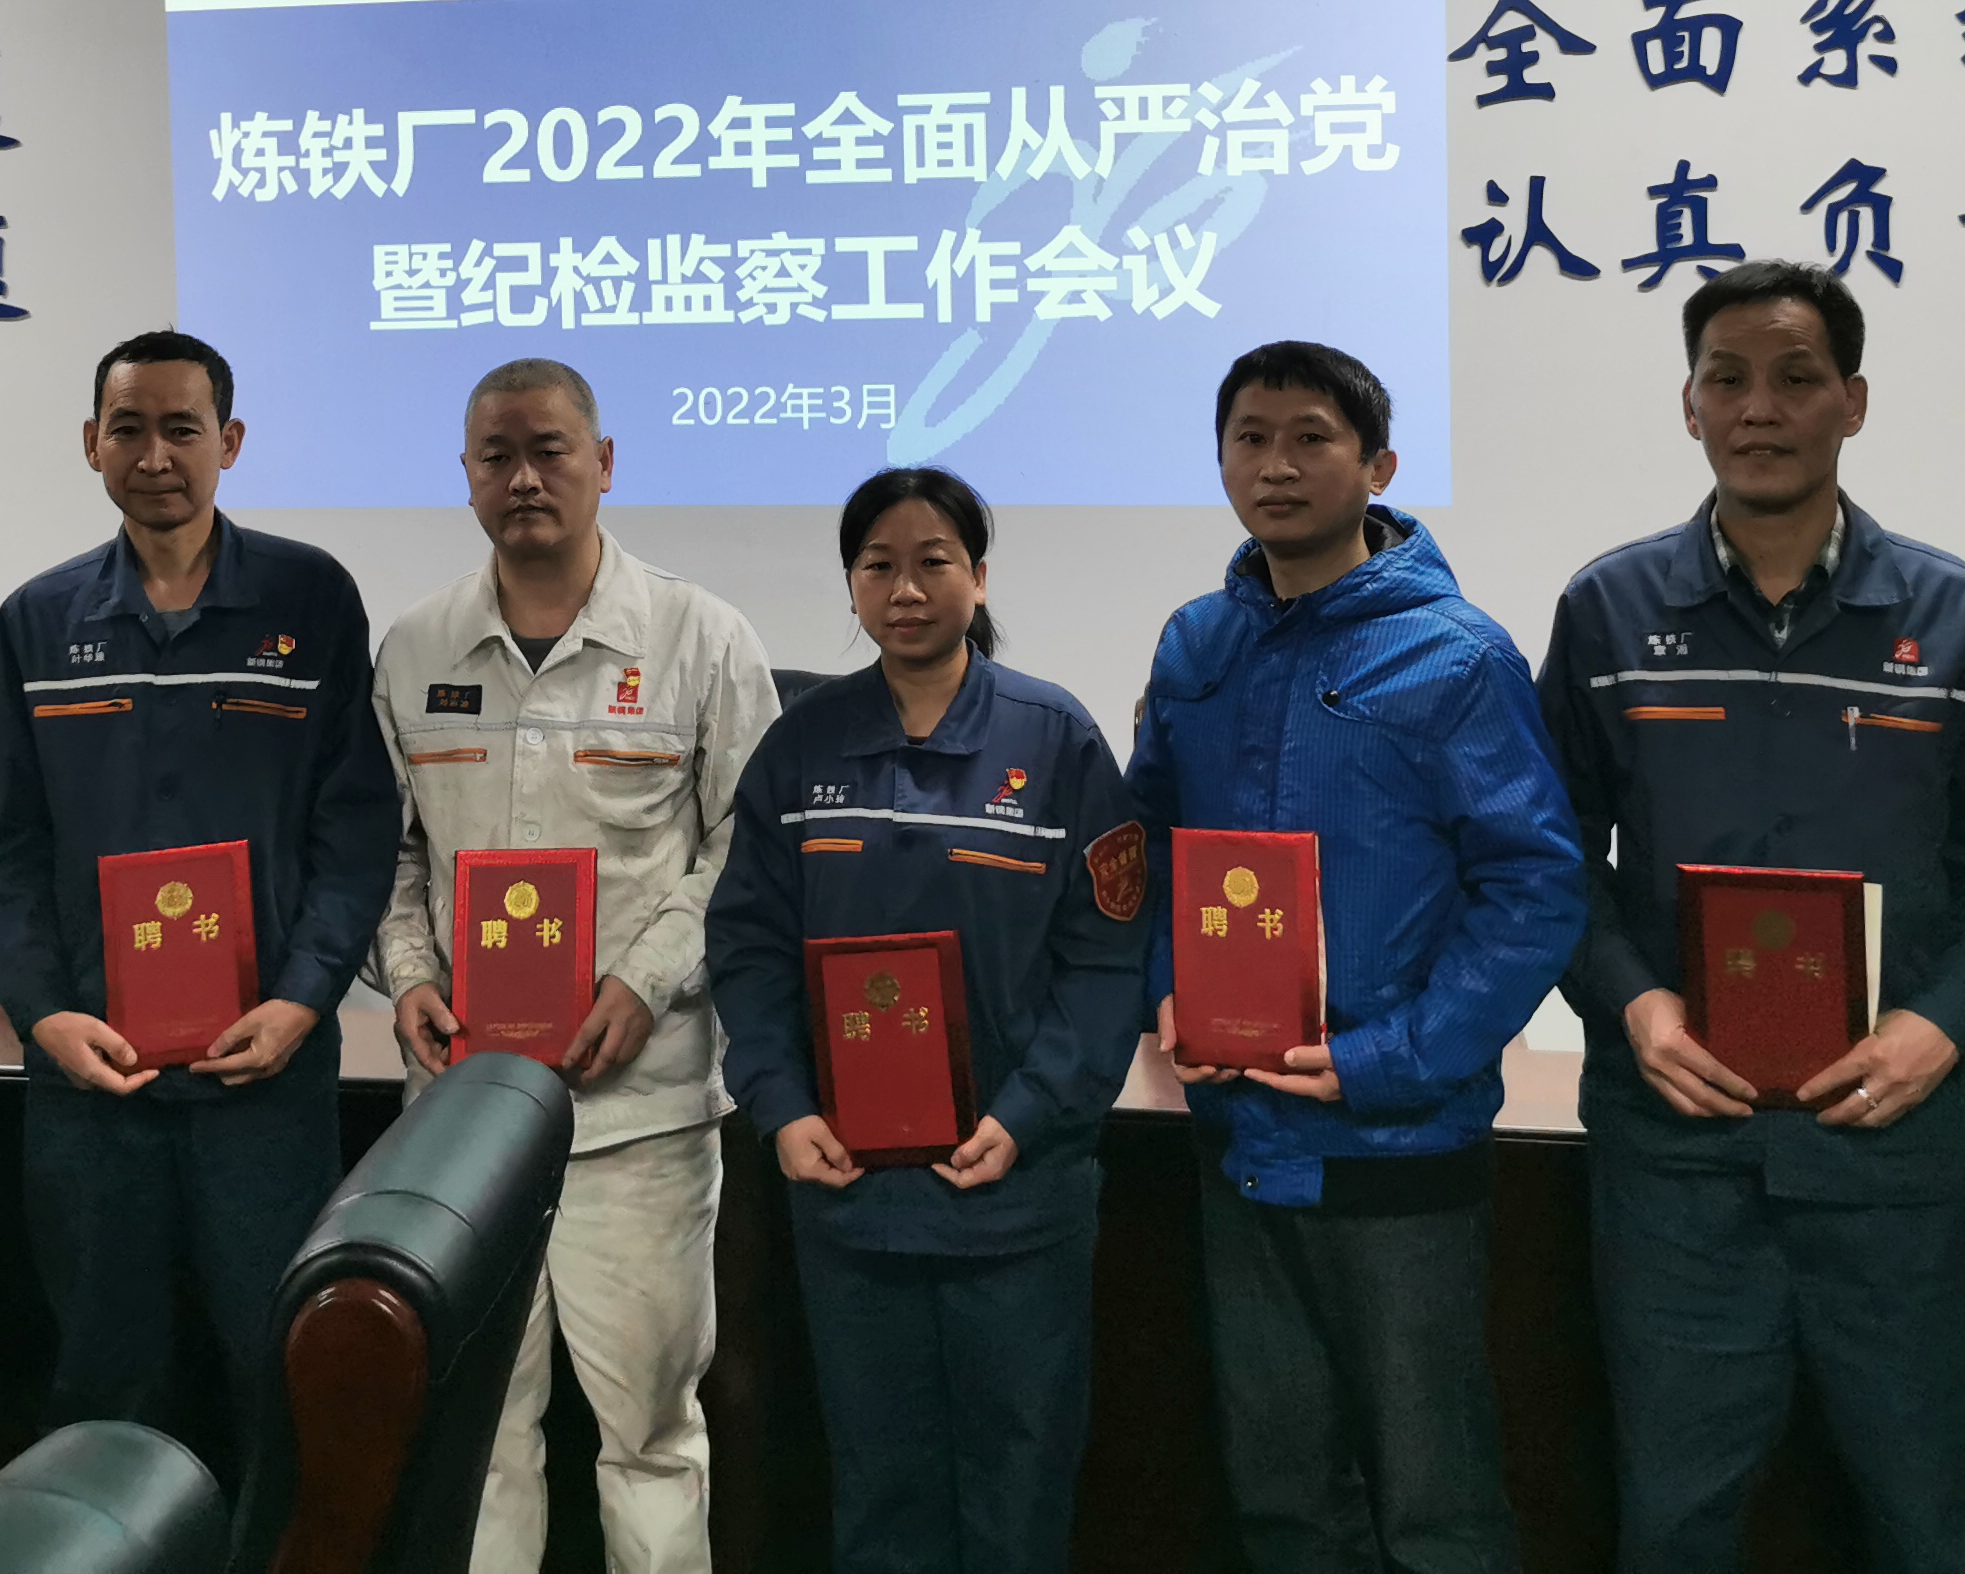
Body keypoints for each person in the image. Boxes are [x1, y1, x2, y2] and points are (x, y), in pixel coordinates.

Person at [1536, 262, 1965, 1574]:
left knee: (1936, 1511)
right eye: (1727, 379)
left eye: (1795, 378)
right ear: (1690, 405)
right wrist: (1636, 1005)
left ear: (1854, 402)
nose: (1758, 408)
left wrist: (1941, 1028)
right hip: (1676, 1153)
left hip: (1898, 1153)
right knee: (1675, 1515)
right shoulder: (1607, 612)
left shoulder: (1955, 620)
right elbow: (1550, 864)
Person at [1128, 339, 1583, 1574]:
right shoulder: (1196, 645)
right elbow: (1147, 846)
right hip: (1238, 1134)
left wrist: (1389, 1059)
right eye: (1250, 438)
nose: (1276, 466)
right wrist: (1168, 988)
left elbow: (1536, 887)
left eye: (1310, 439)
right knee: (1282, 1495)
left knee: (1434, 1503)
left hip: (1396, 1144)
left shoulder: (1457, 654)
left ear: (1377, 466)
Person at [0, 329, 400, 1469]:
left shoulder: (308, 598)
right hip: (90, 1082)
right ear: (91, 443)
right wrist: (47, 1016)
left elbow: (355, 830)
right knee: (102, 1373)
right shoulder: (39, 619)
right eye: (129, 429)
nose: (155, 455)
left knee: (276, 1362)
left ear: (230, 442)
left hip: (263, 1074)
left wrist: (303, 1000)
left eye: (181, 429)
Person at [372, 357, 780, 1574]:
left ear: (604, 464)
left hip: (635, 1114)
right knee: (479, 1433)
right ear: (465, 476)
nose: (524, 478)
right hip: (461, 1121)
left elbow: (748, 850)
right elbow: (384, 855)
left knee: (649, 1434)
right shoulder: (416, 648)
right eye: (497, 456)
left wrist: (645, 981)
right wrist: (408, 975)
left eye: (550, 451)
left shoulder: (700, 638)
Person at [705, 465, 1147, 1574]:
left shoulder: (1055, 739)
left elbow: (1106, 958)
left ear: (978, 577)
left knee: (1018, 1484)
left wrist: (1030, 1114)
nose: (906, 589)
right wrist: (781, 1105)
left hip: (1017, 1194)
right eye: (879, 566)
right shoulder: (802, 746)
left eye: (933, 562)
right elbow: (748, 946)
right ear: (852, 586)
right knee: (881, 1487)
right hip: (851, 1196)